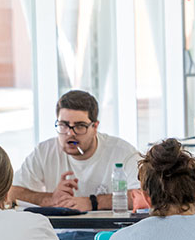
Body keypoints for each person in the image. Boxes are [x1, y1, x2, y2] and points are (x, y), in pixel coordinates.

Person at [8, 90, 140, 212]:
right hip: (60, 233)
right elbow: (12, 193)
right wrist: (50, 199)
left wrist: (92, 202)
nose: (70, 133)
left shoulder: (122, 152)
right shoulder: (44, 152)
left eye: (80, 126)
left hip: (107, 233)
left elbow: (145, 196)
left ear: (95, 127)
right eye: (63, 125)